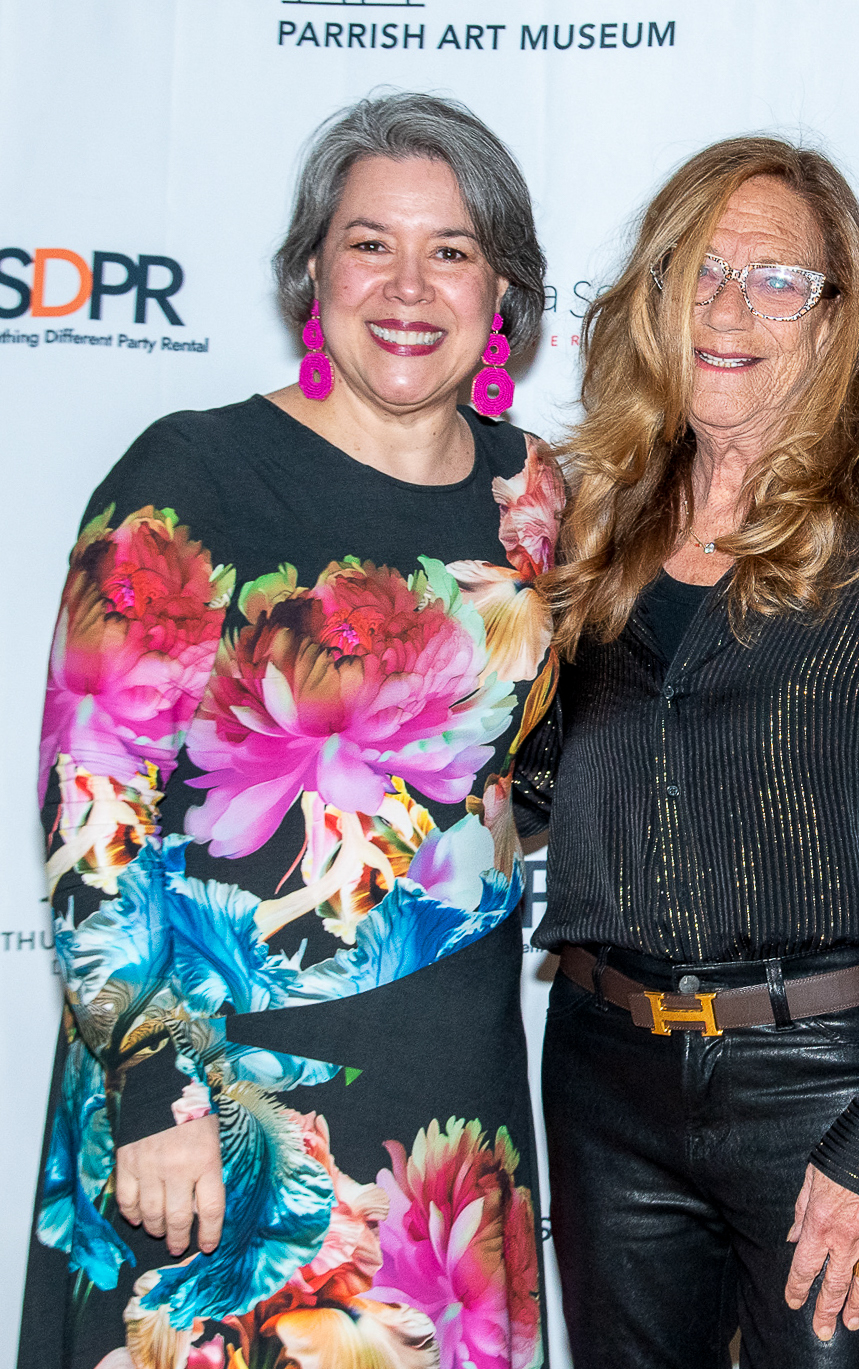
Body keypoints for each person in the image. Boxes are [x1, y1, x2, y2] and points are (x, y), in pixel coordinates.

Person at [20, 92, 562, 1369]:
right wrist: (154, 1090)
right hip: (208, 1099)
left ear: (504, 291)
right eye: (370, 242)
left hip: (445, 1095)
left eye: (452, 249)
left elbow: (539, 760)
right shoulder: (192, 474)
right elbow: (94, 802)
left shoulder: (539, 499)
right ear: (311, 269)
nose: (409, 286)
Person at [510, 135, 859, 1368]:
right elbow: (532, 784)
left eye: (775, 279)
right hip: (603, 1080)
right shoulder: (591, 513)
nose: (729, 308)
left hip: (823, 1085)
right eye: (700, 270)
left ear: (833, 316)